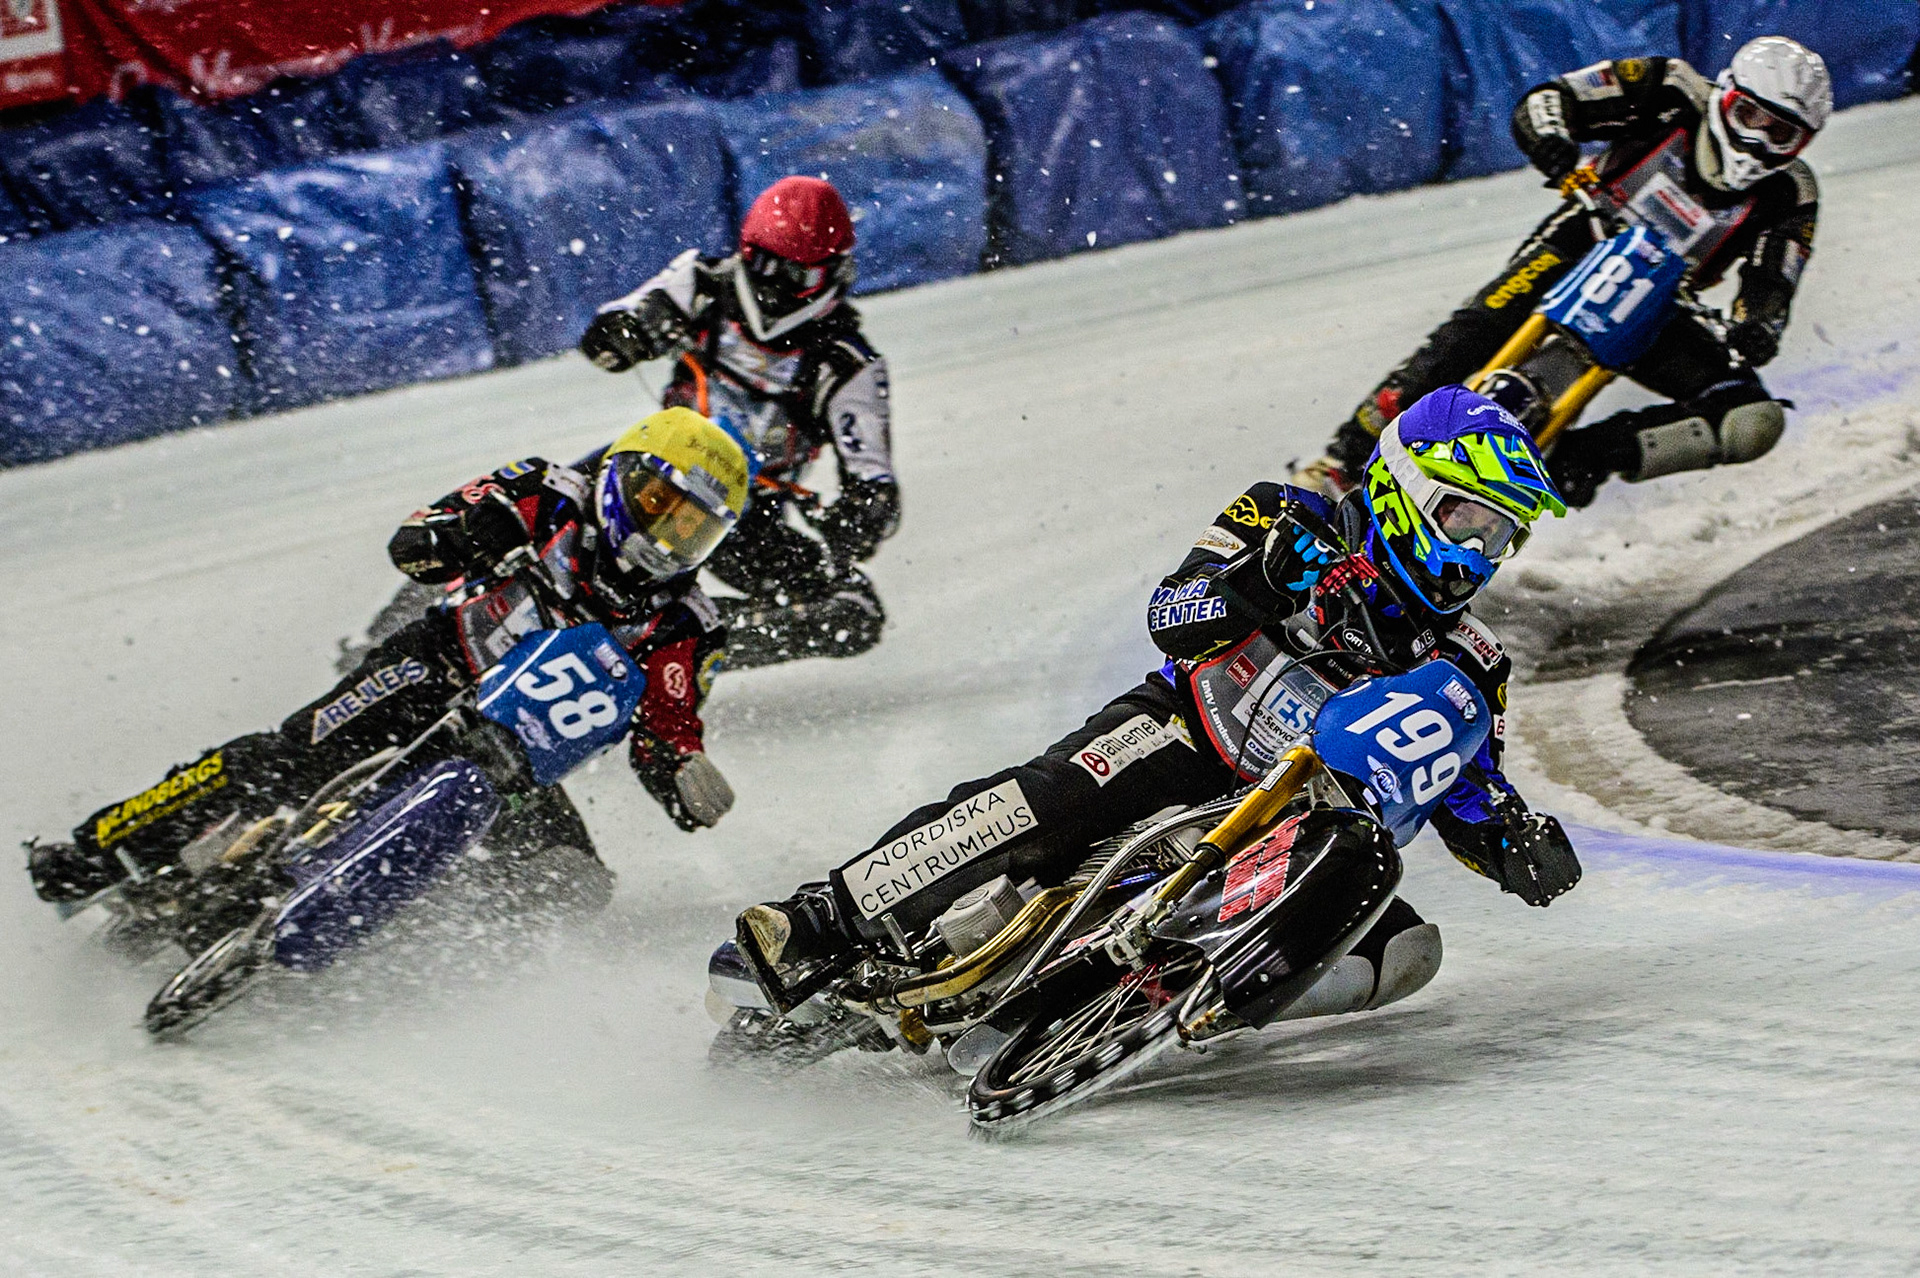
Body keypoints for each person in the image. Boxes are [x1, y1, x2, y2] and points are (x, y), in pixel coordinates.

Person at [733, 386, 1581, 1012]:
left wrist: (1513, 839)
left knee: (1403, 950)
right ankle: (820, 918)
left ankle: (1150, 1010)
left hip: (1296, 820)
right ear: (1405, 487)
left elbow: (1459, 781)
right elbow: (1171, 614)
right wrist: (1259, 583)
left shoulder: (1471, 659)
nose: (1479, 554)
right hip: (1187, 730)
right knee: (1046, 800)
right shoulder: (1285, 515)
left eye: (1501, 535)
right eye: (1468, 521)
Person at [27, 407, 750, 928]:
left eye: (692, 527)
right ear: (623, 474)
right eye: (659, 503)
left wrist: (681, 773)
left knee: (570, 884)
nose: (666, 534)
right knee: (288, 758)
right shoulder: (548, 490)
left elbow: (667, 724)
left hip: (517, 757)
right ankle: (99, 848)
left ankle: (417, 949)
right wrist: (467, 534)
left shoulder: (691, 625)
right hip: (432, 669)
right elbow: (413, 542)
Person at [1301, 37, 1831, 507]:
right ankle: (1343, 462)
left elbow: (1773, 283)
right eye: (1749, 116)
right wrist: (1551, 139)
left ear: (1802, 143)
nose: (1758, 142)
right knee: (1475, 331)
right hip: (1581, 240)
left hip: (1662, 306)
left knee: (1750, 419)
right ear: (1725, 94)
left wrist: (1757, 327)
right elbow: (1550, 100)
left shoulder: (1792, 192)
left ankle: (1570, 462)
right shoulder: (1668, 88)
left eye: (1781, 133)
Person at [579, 175, 899, 669]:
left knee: (853, 612)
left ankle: (674, 647)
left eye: (797, 277)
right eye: (765, 266)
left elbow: (874, 480)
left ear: (834, 273)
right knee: (552, 494)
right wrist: (629, 333)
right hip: (650, 469)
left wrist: (858, 519)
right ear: (746, 253)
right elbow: (606, 336)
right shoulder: (701, 283)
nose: (775, 288)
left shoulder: (848, 365)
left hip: (743, 521)